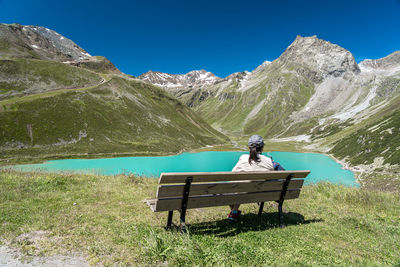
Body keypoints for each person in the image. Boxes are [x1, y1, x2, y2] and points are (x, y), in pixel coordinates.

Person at [228, 134, 283, 221]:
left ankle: (234, 212)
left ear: (249, 147)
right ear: (262, 148)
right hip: (260, 193)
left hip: (240, 193)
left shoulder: (243, 158)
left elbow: (232, 175)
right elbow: (283, 174)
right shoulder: (269, 161)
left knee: (234, 189)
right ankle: (234, 212)